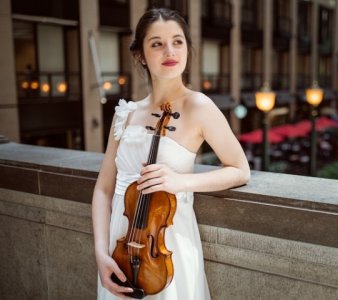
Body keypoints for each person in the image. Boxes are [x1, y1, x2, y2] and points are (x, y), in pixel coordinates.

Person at [92, 7, 250, 300]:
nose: (170, 50)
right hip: (120, 246)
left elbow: (240, 170)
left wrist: (180, 182)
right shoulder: (125, 113)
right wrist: (101, 253)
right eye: (156, 43)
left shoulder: (199, 107)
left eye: (178, 41)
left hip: (167, 246)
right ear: (140, 54)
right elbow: (103, 189)